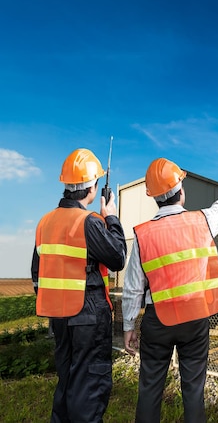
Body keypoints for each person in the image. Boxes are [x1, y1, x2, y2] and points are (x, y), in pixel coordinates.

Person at [122, 158, 218, 423]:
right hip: (194, 317)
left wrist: (128, 326)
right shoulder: (201, 221)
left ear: (154, 197)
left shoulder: (143, 235)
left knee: (149, 389)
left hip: (157, 320)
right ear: (180, 189)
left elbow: (133, 286)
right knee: (193, 391)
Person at [31, 148, 127, 423]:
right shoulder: (88, 222)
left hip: (59, 316)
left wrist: (56, 300)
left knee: (68, 379)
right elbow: (118, 257)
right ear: (92, 188)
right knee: (89, 386)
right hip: (88, 313)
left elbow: (37, 274)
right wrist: (111, 218)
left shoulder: (44, 223)